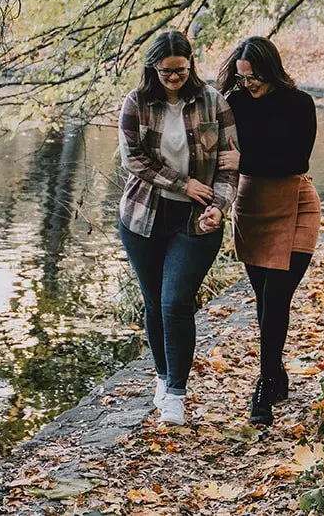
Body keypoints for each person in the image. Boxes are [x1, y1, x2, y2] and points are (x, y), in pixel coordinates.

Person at [116, 29, 240, 425]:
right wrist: (183, 182)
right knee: (153, 303)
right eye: (167, 72)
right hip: (143, 218)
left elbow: (229, 162)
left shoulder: (214, 102)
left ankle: (176, 394)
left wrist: (219, 207)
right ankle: (163, 374)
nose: (175, 78)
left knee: (176, 302)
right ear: (153, 68)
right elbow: (132, 159)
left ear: (191, 65)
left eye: (181, 70)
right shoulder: (136, 103)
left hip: (196, 220)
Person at [216, 35, 319, 427]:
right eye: (242, 79)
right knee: (263, 300)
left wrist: (246, 159)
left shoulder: (299, 103)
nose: (248, 85)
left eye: (254, 77)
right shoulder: (235, 104)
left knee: (276, 296)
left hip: (295, 203)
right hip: (252, 206)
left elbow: (296, 159)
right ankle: (276, 373)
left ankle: (263, 386)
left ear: (271, 70)